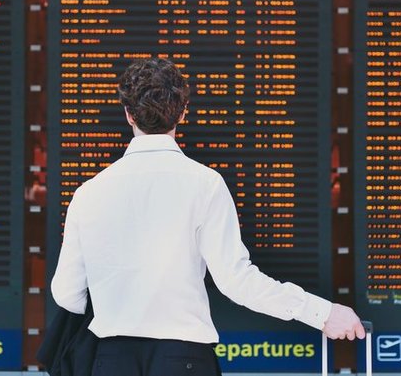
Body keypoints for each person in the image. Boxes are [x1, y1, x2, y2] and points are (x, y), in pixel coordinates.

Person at [51, 58, 365, 376]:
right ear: (183, 111)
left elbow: (66, 294)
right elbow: (236, 281)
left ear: (128, 114)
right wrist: (322, 313)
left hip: (111, 360)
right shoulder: (205, 184)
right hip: (183, 359)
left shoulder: (88, 193)